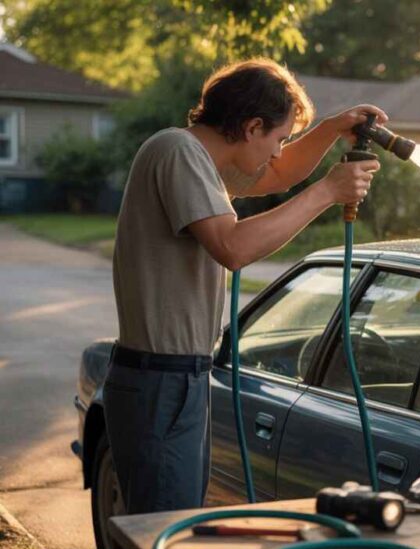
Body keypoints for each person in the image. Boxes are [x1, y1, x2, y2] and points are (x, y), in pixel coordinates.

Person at [103, 58, 385, 515]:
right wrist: (327, 192)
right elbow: (232, 247)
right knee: (158, 534)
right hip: (160, 381)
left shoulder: (204, 161)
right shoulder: (178, 151)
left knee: (169, 526)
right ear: (252, 126)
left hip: (176, 379)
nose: (279, 151)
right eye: (278, 138)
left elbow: (278, 174)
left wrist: (333, 128)